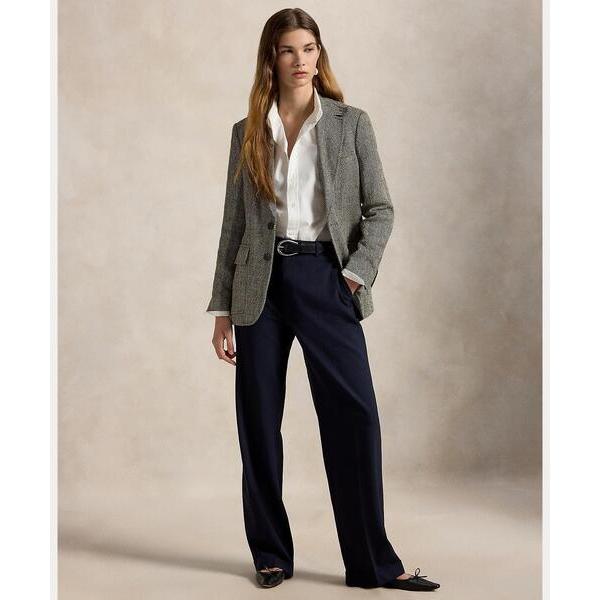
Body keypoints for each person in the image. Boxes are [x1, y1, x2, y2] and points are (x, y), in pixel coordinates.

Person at [206, 8, 440, 592]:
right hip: (259, 286)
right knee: (259, 422)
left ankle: (373, 564)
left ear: (320, 55)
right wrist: (222, 308)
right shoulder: (247, 131)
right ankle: (270, 555)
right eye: (289, 50)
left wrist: (355, 275)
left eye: (309, 49)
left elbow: (380, 209)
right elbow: (234, 225)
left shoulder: (349, 124)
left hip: (325, 279)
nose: (301, 61)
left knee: (354, 416)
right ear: (271, 58)